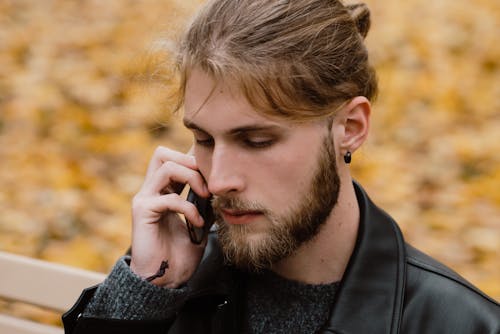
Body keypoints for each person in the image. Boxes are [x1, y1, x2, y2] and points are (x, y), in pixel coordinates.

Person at [63, 0, 500, 333]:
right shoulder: (171, 289)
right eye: (203, 139)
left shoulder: (460, 324)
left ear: (349, 126)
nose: (218, 179)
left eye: (257, 141)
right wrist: (146, 292)